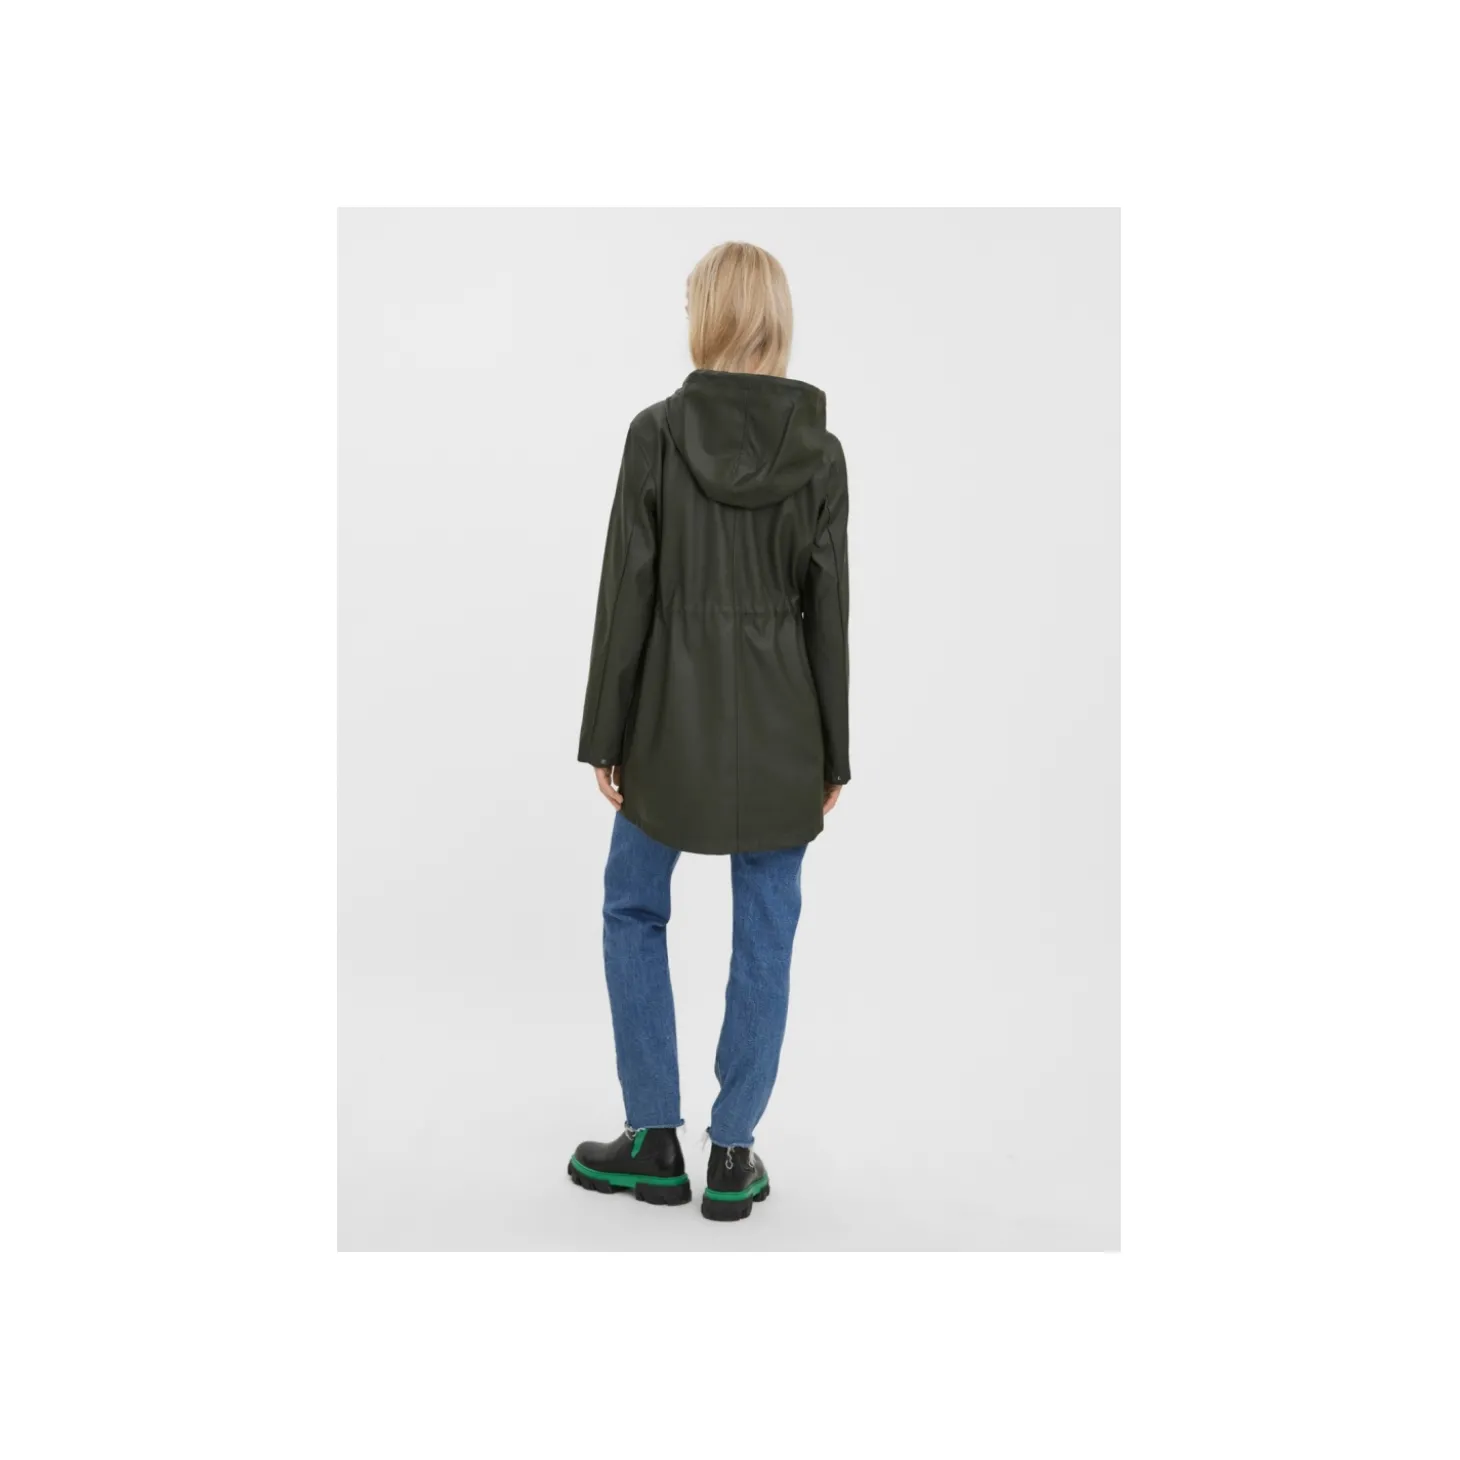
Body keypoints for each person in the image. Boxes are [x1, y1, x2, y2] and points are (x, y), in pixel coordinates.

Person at [568, 241, 850, 1223]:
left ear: (708, 317)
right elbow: (828, 612)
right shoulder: (820, 453)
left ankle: (654, 1141)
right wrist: (833, 751)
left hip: (666, 722)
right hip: (783, 725)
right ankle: (733, 1152)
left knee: (631, 906)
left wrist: (606, 731)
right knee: (766, 930)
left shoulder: (654, 435)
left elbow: (628, 595)